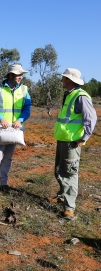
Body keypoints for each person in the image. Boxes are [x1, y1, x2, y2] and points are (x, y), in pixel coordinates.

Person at [49, 68, 97, 220]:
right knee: (59, 170)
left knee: (69, 173)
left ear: (69, 80)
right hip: (63, 139)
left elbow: (91, 118)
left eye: (64, 78)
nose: (62, 80)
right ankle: (63, 196)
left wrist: (84, 138)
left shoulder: (81, 96)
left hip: (72, 142)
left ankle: (69, 208)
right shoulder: (69, 94)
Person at [0, 64, 31, 194]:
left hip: (14, 130)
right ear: (11, 75)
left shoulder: (24, 90)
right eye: (18, 75)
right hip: (1, 129)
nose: (21, 77)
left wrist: (20, 120)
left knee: (8, 157)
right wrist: (0, 118)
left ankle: (2, 182)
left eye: (21, 75)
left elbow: (27, 109)